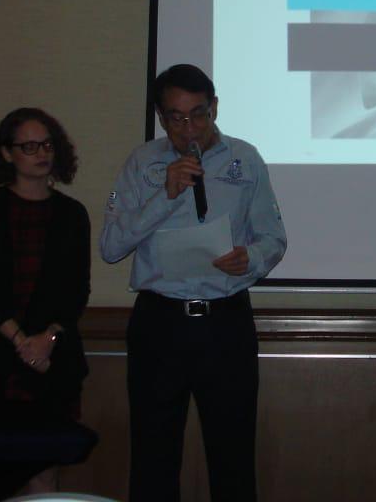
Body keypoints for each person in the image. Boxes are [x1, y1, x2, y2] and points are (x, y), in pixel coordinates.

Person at [100, 64, 287, 502]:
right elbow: (110, 247)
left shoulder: (245, 159)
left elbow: (274, 238)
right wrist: (164, 196)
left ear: (214, 107)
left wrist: (250, 259)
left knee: (233, 456)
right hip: (159, 323)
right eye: (177, 118)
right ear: (161, 118)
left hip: (226, 323)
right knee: (153, 457)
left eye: (199, 114)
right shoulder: (142, 162)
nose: (190, 128)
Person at [0, 107, 91, 493]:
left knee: (44, 467)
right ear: (7, 153)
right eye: (30, 146)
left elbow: (77, 291)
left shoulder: (72, 214)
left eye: (47, 145)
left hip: (54, 359)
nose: (42, 153)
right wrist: (23, 343)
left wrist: (47, 338)